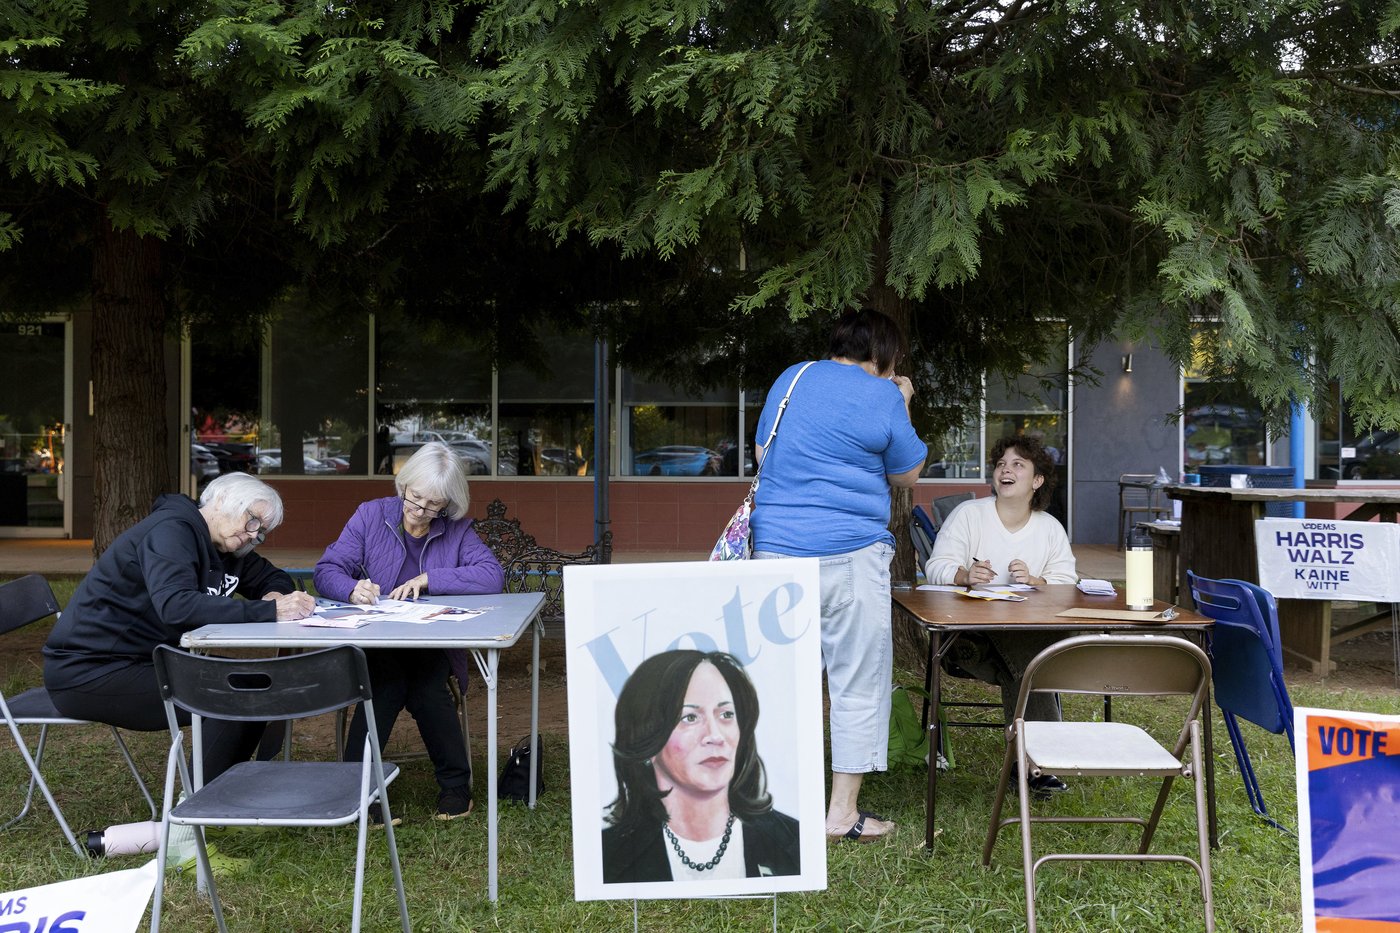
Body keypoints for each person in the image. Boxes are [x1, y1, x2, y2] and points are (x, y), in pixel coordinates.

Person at [749, 308, 926, 844]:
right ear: (884, 356)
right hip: (851, 554)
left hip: (776, 553)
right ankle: (840, 814)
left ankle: (770, 802)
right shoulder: (883, 396)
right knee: (857, 683)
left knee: (778, 682)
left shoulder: (793, 377)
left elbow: (763, 451)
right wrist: (904, 401)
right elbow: (906, 473)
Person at [44, 472, 315, 781]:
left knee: (254, 684)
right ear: (223, 500)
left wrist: (275, 594)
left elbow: (272, 575)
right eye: (252, 521)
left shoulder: (226, 546)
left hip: (148, 660)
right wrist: (268, 611)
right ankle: (196, 813)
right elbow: (176, 606)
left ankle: (218, 796)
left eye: (262, 531)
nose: (254, 535)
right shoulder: (171, 532)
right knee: (234, 695)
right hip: (90, 671)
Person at [314, 441, 504, 822]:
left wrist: (431, 578)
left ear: (448, 504)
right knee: (387, 685)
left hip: (431, 645)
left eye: (434, 505)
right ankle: (360, 794)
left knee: (425, 686)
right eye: (415, 499)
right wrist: (351, 588)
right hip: (375, 642)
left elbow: (492, 575)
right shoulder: (370, 516)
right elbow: (327, 569)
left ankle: (454, 788)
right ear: (404, 486)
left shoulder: (458, 531)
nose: (420, 512)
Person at [923, 433, 1078, 795]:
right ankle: (1039, 764)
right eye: (1001, 464)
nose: (1006, 470)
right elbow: (936, 567)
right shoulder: (969, 515)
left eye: (1018, 465)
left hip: (1026, 643)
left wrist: (1039, 580)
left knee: (1028, 653)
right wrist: (964, 576)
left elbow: (1067, 582)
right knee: (1035, 656)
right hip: (967, 643)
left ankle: (1027, 765)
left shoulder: (1050, 528)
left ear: (1037, 480)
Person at [602, 650, 799, 883]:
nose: (715, 736)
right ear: (646, 735)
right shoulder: (608, 857)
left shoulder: (792, 840)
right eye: (690, 718)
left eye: (726, 714)